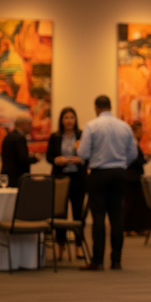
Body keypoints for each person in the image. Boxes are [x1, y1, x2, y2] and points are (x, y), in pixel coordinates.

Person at [77, 95, 138, 271]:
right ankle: (116, 260)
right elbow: (133, 152)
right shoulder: (124, 126)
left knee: (98, 218)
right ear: (110, 107)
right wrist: (121, 164)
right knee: (117, 218)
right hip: (119, 174)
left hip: (99, 174)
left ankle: (97, 260)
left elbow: (83, 154)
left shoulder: (92, 126)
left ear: (96, 108)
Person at [46, 107, 87, 260]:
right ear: (61, 120)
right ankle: (60, 247)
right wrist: (57, 159)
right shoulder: (55, 137)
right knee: (60, 214)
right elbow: (49, 157)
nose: (69, 121)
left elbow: (88, 156)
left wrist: (78, 160)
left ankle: (78, 246)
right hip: (60, 179)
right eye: (66, 118)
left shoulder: (82, 135)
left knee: (78, 214)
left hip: (78, 179)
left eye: (72, 117)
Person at [123, 121, 151, 236]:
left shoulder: (132, 144)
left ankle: (132, 228)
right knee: (130, 204)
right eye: (140, 131)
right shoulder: (131, 144)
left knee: (135, 204)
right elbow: (133, 160)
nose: (142, 133)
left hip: (132, 177)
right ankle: (128, 228)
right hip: (131, 178)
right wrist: (143, 160)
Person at [0, 115, 39, 186]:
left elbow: (13, 156)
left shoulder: (9, 136)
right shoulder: (19, 138)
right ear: (22, 124)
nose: (31, 127)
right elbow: (22, 159)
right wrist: (35, 158)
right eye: (29, 125)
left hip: (7, 176)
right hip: (17, 178)